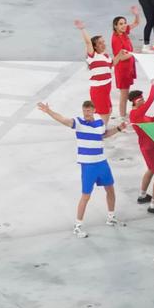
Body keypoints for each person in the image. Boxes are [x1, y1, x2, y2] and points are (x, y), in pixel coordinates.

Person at [34, 97, 127, 232]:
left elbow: (103, 135)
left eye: (89, 111)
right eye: (84, 111)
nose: (86, 114)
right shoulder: (79, 122)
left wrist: (118, 128)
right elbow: (63, 119)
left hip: (102, 162)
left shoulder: (100, 122)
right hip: (88, 165)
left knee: (110, 189)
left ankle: (111, 217)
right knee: (86, 195)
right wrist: (49, 111)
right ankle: (78, 226)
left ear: (94, 110)